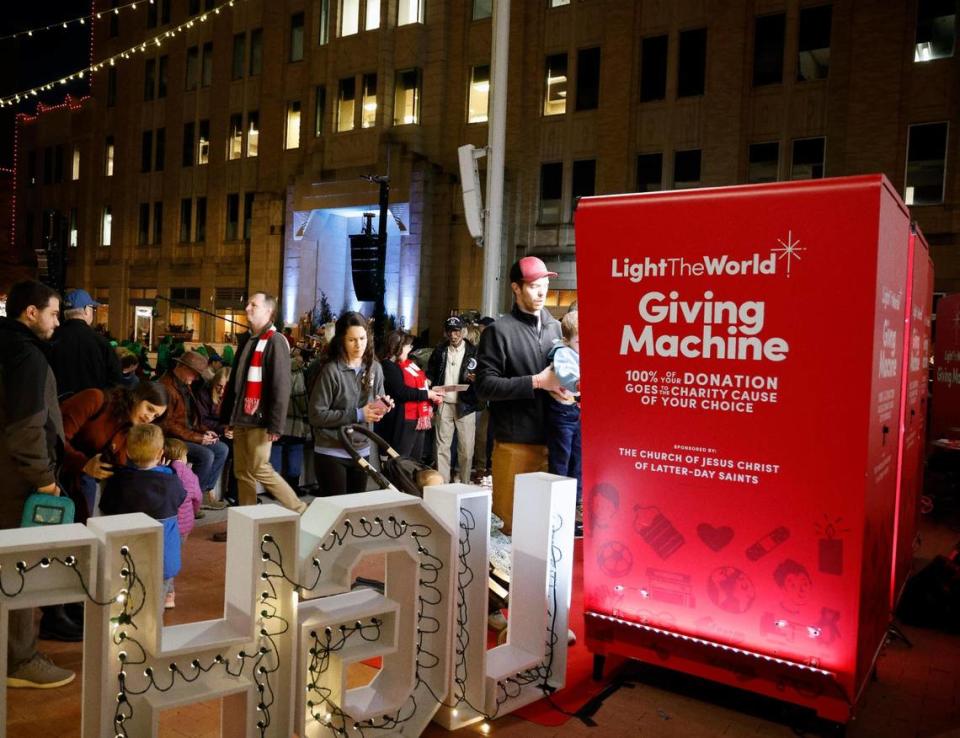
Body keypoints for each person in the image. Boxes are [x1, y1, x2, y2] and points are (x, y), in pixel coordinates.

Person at [0, 279, 75, 689]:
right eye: (52, 313)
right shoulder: (26, 355)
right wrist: (44, 480)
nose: (57, 321)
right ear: (31, 312)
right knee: (20, 569)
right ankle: (20, 659)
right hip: (17, 481)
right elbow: (27, 427)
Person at [475, 257, 564, 535]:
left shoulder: (557, 329)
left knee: (547, 530)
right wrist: (536, 382)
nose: (541, 293)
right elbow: (485, 386)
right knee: (511, 529)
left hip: (556, 441)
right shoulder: (499, 331)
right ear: (515, 288)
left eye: (545, 286)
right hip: (515, 442)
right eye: (534, 286)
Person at [219, 291, 308, 526]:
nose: (247, 307)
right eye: (248, 303)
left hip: (259, 419)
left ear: (268, 311)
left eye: (253, 304)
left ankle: (301, 510)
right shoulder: (249, 339)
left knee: (260, 468)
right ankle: (247, 523)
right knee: (242, 473)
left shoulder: (275, 340)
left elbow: (281, 385)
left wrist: (276, 424)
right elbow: (235, 383)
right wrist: (228, 416)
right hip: (241, 417)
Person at [100, 424, 185, 611]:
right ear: (160, 453)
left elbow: (105, 507)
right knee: (155, 607)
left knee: (126, 604)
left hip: (128, 558)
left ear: (128, 452)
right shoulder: (172, 481)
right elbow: (182, 497)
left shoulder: (118, 482)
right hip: (163, 559)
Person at [309, 311, 393, 496]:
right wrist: (358, 414)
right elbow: (316, 415)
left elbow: (377, 399)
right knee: (336, 514)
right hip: (331, 451)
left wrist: (382, 407)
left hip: (361, 449)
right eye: (352, 340)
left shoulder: (375, 367)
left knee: (355, 512)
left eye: (362, 338)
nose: (359, 345)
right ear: (341, 341)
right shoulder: (331, 371)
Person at [60, 381, 169, 521]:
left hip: (84, 476)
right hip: (58, 468)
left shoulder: (130, 426)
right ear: (137, 396)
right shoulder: (96, 399)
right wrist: (83, 464)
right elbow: (56, 437)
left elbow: (120, 463)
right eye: (149, 408)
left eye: (155, 416)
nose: (149, 417)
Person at [159, 351, 230, 508]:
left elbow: (192, 418)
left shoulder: (183, 384)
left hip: (184, 433)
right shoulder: (166, 386)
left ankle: (203, 492)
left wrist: (204, 431)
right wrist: (197, 437)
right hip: (170, 437)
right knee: (206, 455)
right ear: (182, 367)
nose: (197, 378)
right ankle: (188, 499)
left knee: (222, 449)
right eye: (194, 373)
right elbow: (167, 425)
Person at [427, 316, 479, 483]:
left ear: (463, 331)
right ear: (445, 332)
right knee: (442, 447)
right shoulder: (440, 350)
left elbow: (483, 374)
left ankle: (464, 483)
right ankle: (443, 485)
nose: (453, 335)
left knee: (466, 449)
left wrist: (476, 379)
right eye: (450, 331)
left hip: (466, 404)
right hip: (444, 403)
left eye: (457, 331)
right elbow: (431, 373)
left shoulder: (474, 351)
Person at [377, 330, 443, 460]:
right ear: (398, 347)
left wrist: (431, 391)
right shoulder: (389, 365)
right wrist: (428, 394)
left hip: (416, 416)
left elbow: (417, 385)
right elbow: (402, 392)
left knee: (414, 459)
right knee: (402, 460)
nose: (410, 349)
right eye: (408, 346)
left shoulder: (406, 363)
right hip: (403, 417)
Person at [49, 288, 123, 397]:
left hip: (58, 407)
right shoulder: (101, 342)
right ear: (86, 310)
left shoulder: (51, 338)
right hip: (93, 408)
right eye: (92, 308)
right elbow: (115, 380)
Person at [545, 309, 582, 524]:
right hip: (563, 411)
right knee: (562, 458)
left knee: (577, 458)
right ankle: (559, 504)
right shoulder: (562, 353)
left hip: (575, 410)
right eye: (578, 341)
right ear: (567, 339)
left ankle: (575, 502)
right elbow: (567, 377)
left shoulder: (574, 350)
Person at [163, 438, 203, 609]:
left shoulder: (162, 473)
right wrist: (193, 513)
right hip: (184, 526)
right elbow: (198, 498)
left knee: (163, 557)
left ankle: (167, 592)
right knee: (174, 555)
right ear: (183, 456)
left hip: (166, 524)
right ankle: (169, 595)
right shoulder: (190, 475)